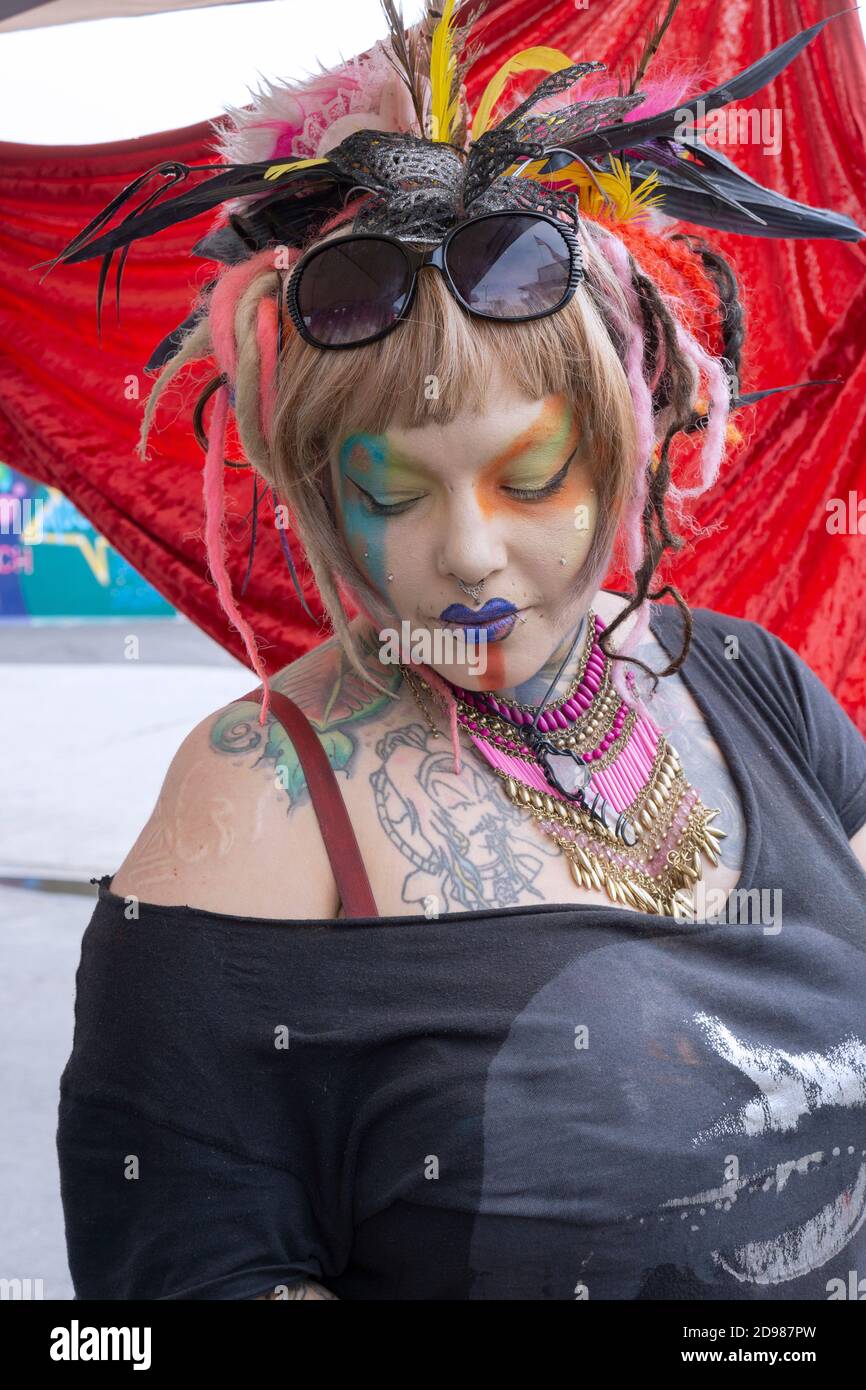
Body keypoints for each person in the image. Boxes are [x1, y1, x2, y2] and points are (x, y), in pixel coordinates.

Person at [52, 2, 866, 1300]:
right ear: (320, 490)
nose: (470, 554)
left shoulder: (752, 683)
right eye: (394, 494)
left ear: (623, 440)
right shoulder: (250, 809)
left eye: (529, 475)